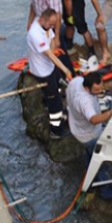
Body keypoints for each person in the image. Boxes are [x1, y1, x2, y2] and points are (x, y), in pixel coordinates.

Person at [66, 72, 112, 199]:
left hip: (78, 128)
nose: (100, 90)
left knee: (91, 155)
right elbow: (94, 120)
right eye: (96, 89)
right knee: (99, 162)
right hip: (89, 135)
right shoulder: (85, 102)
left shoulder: (76, 81)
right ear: (87, 88)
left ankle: (89, 173)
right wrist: (111, 112)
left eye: (101, 86)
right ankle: (107, 191)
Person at [27, 9, 74, 137]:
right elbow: (49, 55)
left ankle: (48, 99)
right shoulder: (35, 34)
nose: (53, 27)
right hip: (42, 71)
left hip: (50, 67)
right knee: (56, 102)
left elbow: (52, 39)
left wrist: (55, 50)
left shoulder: (47, 25)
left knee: (57, 85)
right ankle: (56, 130)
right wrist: (65, 69)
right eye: (51, 24)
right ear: (43, 19)